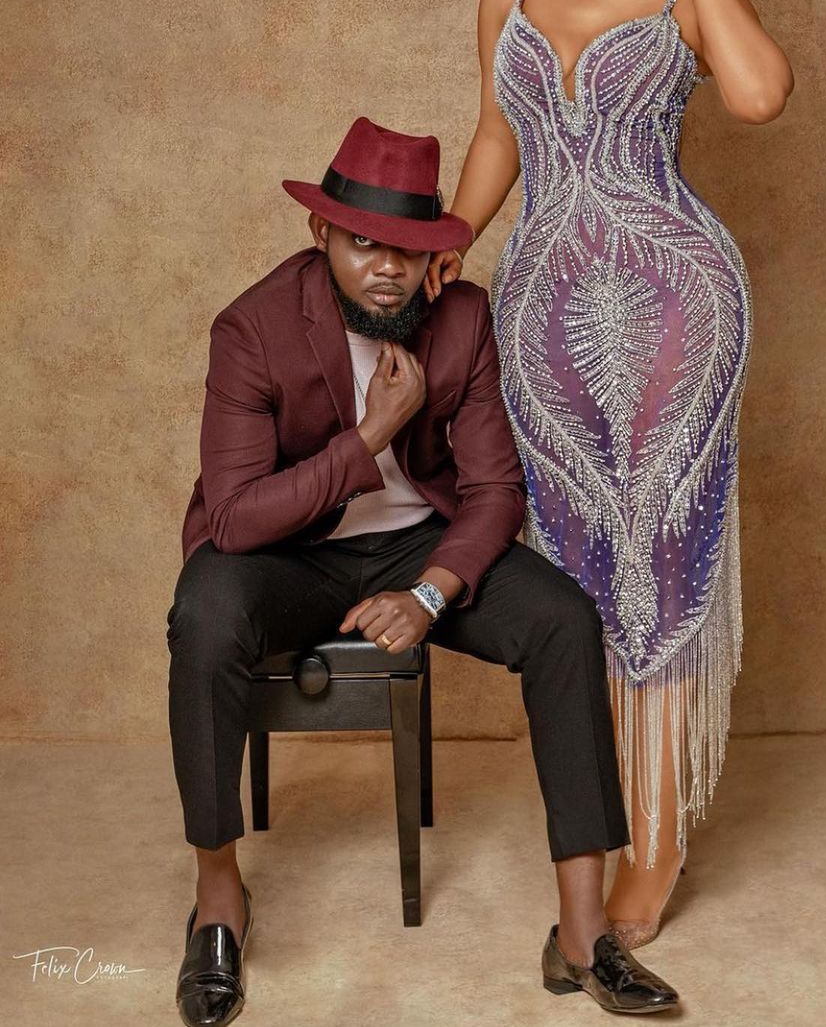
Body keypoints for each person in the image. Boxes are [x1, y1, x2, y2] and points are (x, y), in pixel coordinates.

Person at [167, 115, 681, 1024]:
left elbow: (494, 490)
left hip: (418, 545)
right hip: (288, 553)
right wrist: (372, 432)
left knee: (563, 617)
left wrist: (430, 591)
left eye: (406, 248)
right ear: (321, 233)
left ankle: (581, 932)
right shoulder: (252, 327)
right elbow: (236, 518)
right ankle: (217, 902)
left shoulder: (463, 317)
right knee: (204, 611)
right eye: (363, 243)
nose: (386, 268)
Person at [424, 0, 793, 947]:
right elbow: (499, 134)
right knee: (581, 569)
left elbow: (761, 94)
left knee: (661, 557)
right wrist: (448, 247)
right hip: (542, 312)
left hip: (678, 301)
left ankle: (660, 842)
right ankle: (612, 817)